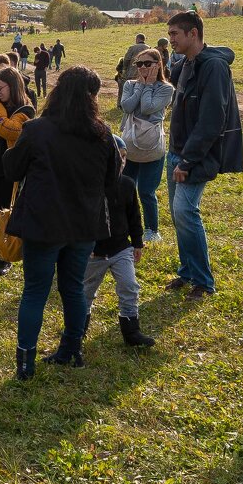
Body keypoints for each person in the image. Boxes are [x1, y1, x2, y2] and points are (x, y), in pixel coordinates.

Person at [5, 66, 120, 380]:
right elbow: (113, 179)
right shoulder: (103, 133)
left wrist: (8, 154)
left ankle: (25, 363)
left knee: (35, 291)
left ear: (58, 92)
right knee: (72, 288)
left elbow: (14, 169)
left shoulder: (38, 129)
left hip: (45, 223)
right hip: (83, 223)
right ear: (92, 97)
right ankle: (72, 350)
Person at [166, 11, 243, 300]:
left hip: (194, 156)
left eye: (175, 33)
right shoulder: (187, 63)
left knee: (186, 212)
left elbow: (213, 119)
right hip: (175, 151)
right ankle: (186, 272)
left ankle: (203, 281)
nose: (171, 39)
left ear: (193, 34)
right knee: (178, 216)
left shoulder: (213, 67)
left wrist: (188, 160)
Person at [83, 135, 154, 347]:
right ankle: (78, 329)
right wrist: (85, 246)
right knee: (85, 292)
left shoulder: (127, 184)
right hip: (94, 252)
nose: (121, 162)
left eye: (124, 158)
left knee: (129, 286)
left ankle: (131, 332)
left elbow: (134, 215)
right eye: (117, 157)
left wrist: (138, 242)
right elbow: (81, 220)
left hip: (121, 248)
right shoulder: (89, 187)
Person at [0, 67, 35, 276]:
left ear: (13, 86)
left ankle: (6, 256)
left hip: (12, 171)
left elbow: (9, 129)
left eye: (0, 87)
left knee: (7, 214)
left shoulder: (26, 109)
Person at [119, 48, 173, 242]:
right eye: (139, 64)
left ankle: (152, 229)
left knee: (146, 191)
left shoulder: (166, 89)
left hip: (151, 147)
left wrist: (149, 85)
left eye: (147, 64)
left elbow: (149, 107)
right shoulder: (129, 84)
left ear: (158, 64)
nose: (142, 67)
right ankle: (122, 225)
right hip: (130, 144)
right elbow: (127, 106)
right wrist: (141, 86)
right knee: (125, 187)